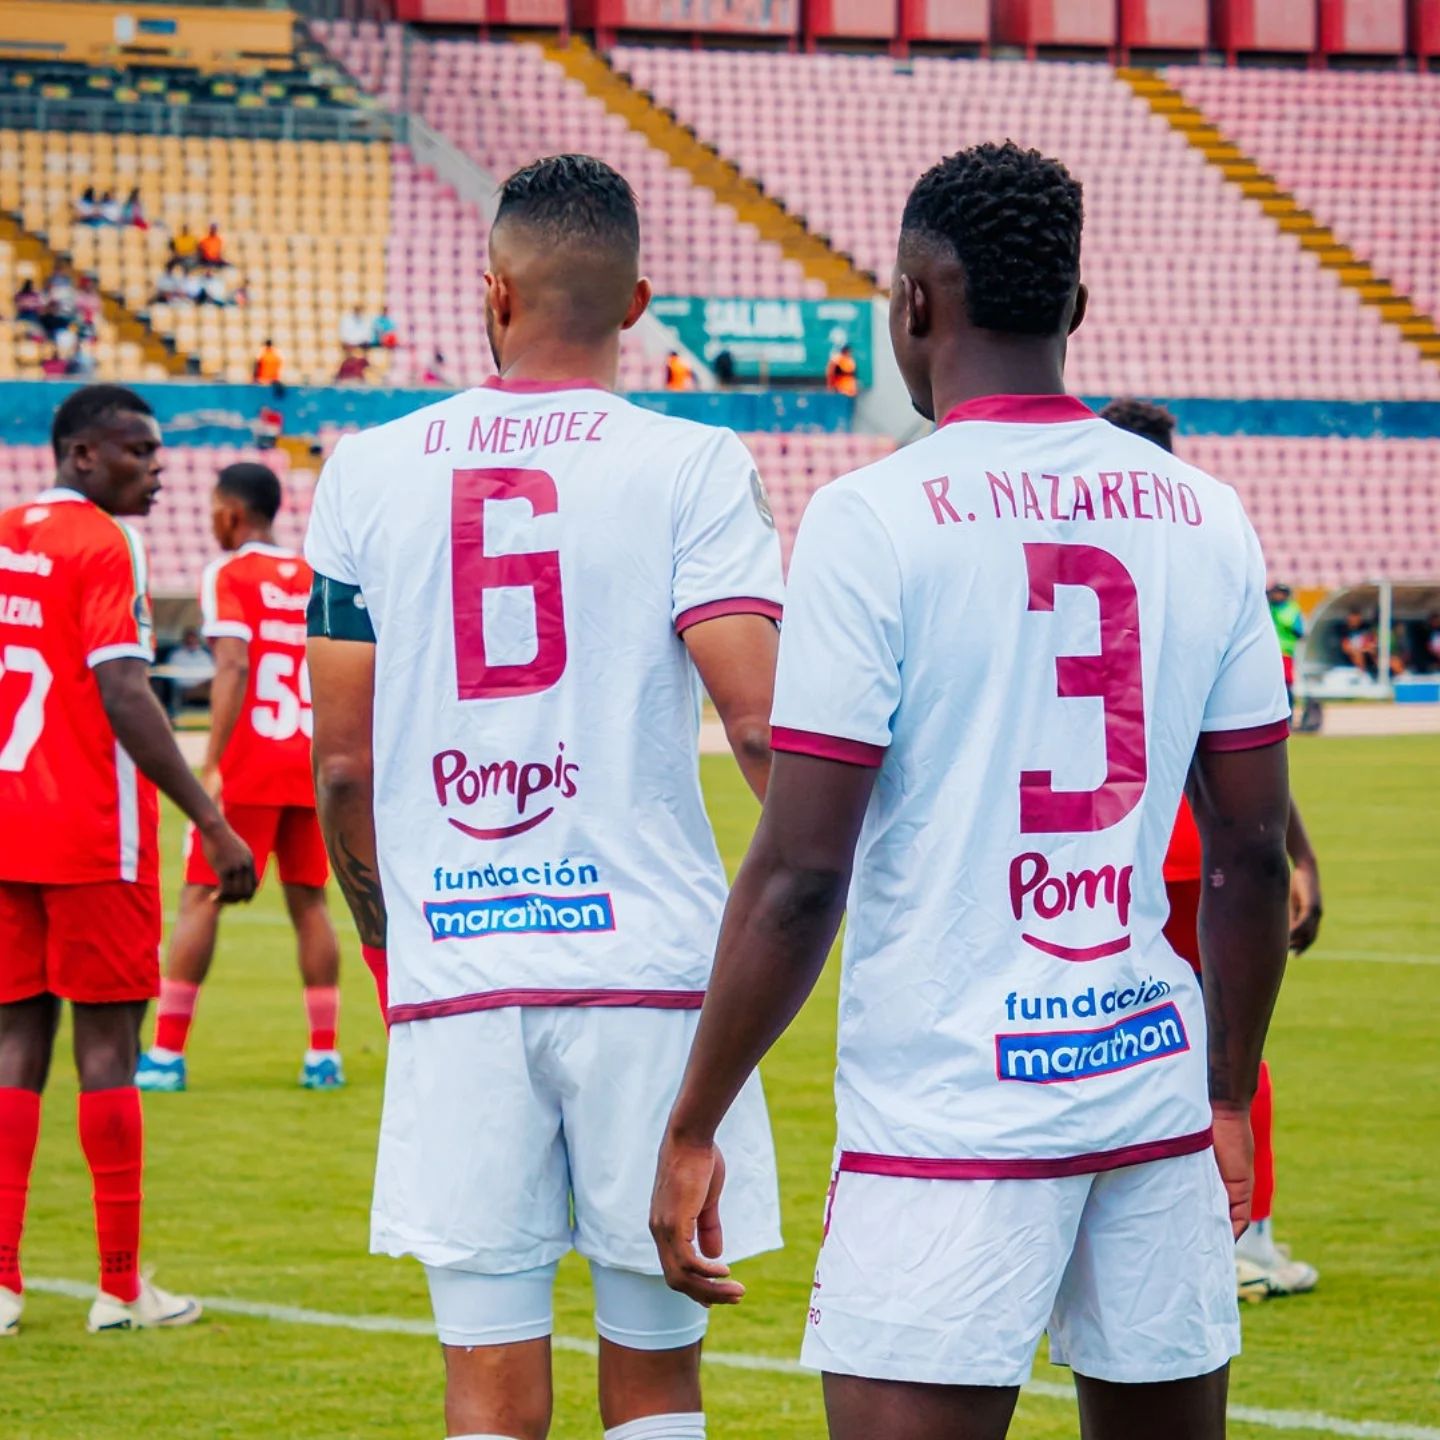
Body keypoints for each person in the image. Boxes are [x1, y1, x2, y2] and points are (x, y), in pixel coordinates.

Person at [650, 142, 1292, 1440]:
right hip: (1147, 1091)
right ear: (1077, 311)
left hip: (950, 1110)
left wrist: (694, 1119)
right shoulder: (1205, 514)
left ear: (913, 306)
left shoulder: (871, 518)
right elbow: (1250, 856)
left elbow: (800, 873)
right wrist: (1226, 1096)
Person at [305, 153, 783, 1440]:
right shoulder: (693, 461)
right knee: (658, 1372)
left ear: (492, 293)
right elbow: (756, 723)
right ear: (637, 304)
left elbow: (340, 762)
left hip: (462, 971)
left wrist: (389, 937)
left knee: (488, 1387)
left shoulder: (367, 469)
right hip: (652, 970)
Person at [0, 385, 257, 1338]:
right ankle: (119, 1289)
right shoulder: (104, 545)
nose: (158, 470)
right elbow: (123, 688)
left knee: (14, 1050)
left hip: (6, 826)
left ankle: (3, 1284)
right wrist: (211, 821)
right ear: (81, 457)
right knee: (107, 1052)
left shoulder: (5, 531)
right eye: (139, 453)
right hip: (90, 834)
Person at [1102, 398, 1322, 1302]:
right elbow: (1252, 752)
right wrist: (1301, 859)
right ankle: (1245, 1231)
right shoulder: (1208, 549)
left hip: (1109, 848)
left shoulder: (1084, 557)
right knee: (1228, 1042)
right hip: (1208, 846)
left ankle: (1127, 1229)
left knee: (1111, 1034)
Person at [138, 464, 343, 1094]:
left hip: (251, 762)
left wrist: (213, 764)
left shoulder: (228, 573)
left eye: (211, 508)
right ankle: (323, 1055)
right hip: (309, 761)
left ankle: (168, 1056)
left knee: (202, 895)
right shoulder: (313, 575)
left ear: (232, 512)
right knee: (310, 905)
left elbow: (233, 666)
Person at [1339, 607, 1377, 678]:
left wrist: (1369, 648)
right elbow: (1345, 647)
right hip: (1351, 654)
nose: (1355, 620)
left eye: (1357, 618)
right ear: (1349, 618)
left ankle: (1378, 675)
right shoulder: (1343, 630)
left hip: (1366, 651)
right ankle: (1362, 675)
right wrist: (1360, 649)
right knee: (1357, 654)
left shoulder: (1366, 627)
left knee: (1374, 651)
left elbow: (1372, 641)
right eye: (1353, 618)